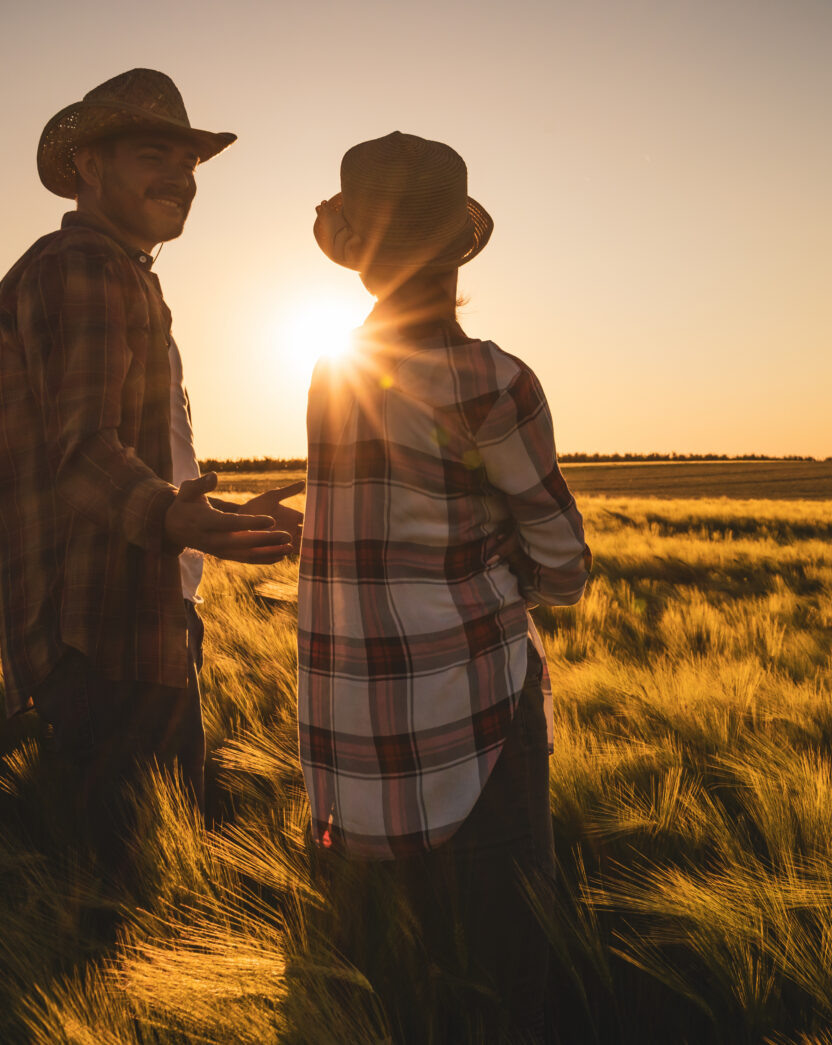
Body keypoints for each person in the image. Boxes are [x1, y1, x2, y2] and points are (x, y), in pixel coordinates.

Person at [299, 131, 592, 1044]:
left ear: (359, 259)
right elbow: (566, 566)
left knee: (385, 986)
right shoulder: (494, 382)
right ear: (460, 248)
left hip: (348, 743)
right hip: (475, 728)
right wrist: (498, 556)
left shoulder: (329, 374)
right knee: (503, 982)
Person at [0, 69, 301, 881]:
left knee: (130, 879)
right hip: (106, 632)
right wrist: (177, 520)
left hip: (127, 620)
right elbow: (81, 451)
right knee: (133, 897)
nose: (180, 180)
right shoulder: (85, 265)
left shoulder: (117, 271)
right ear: (89, 164)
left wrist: (206, 513)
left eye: (189, 164)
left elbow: (122, 457)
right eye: (154, 154)